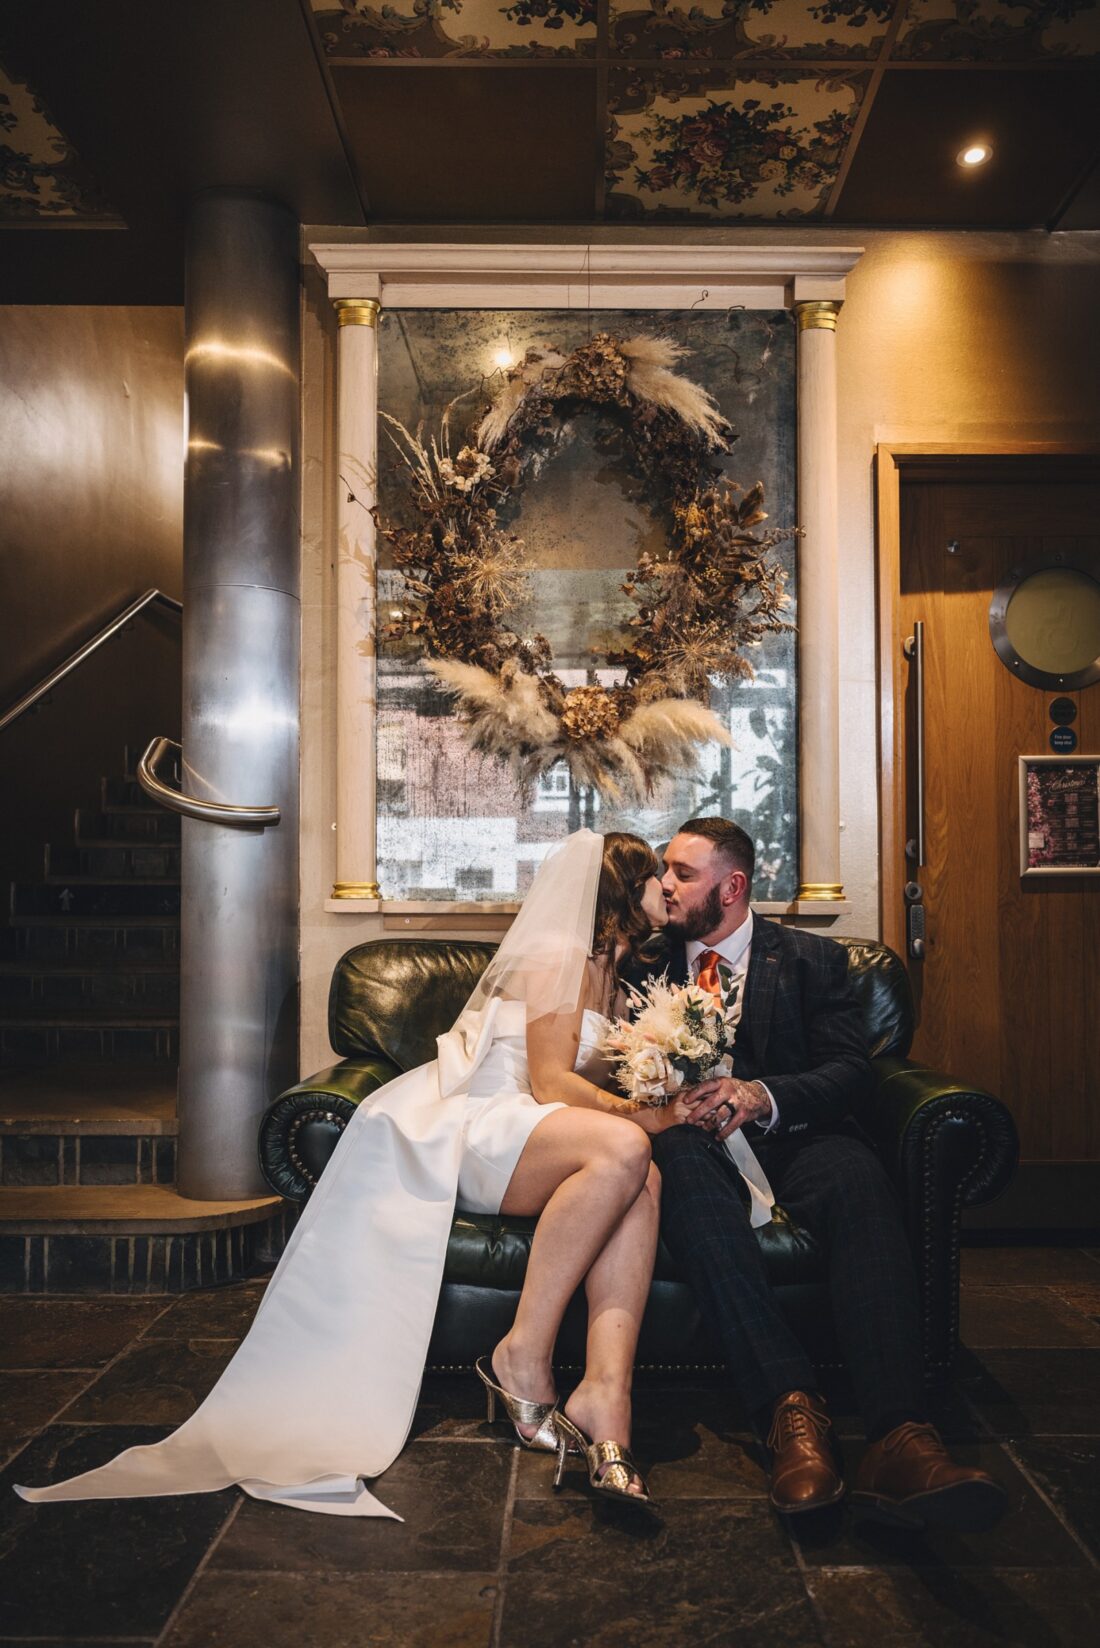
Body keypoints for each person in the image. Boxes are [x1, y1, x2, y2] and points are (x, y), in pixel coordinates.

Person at [17, 828, 734, 1517]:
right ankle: (522, 1355)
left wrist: (662, 1075)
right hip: (491, 1122)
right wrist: (647, 1118)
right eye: (656, 876)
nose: (668, 888)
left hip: (539, 1129)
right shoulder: (558, 951)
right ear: (620, 886)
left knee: (646, 1183)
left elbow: (588, 1071)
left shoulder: (614, 964)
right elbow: (547, 1081)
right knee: (627, 1151)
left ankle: (607, 1397)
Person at [646, 816, 1007, 1531]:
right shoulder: (646, 962)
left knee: (859, 1180)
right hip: (694, 1141)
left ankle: (902, 1438)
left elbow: (849, 1071)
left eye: (682, 874)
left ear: (733, 886)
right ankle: (791, 1414)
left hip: (796, 1134)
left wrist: (762, 1096)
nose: (665, 885)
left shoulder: (813, 961)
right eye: (665, 871)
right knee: (685, 1181)